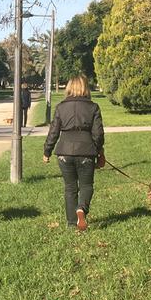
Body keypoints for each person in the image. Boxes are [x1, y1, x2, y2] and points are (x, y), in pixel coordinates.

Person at [43, 75, 104, 231]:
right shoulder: (93, 107)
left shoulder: (61, 107)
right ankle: (81, 209)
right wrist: (98, 151)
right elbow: (98, 134)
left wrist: (47, 151)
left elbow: (53, 132)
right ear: (85, 88)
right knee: (86, 185)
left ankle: (71, 223)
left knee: (70, 187)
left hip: (64, 152)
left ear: (69, 88)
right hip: (86, 152)